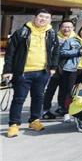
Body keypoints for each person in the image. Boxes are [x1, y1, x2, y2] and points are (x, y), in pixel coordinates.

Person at [3, 9, 60, 138]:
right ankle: (14, 124)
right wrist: (7, 70)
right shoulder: (22, 32)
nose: (43, 19)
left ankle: (34, 121)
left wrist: (53, 67)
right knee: (19, 99)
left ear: (50, 20)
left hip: (42, 72)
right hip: (23, 72)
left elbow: (56, 51)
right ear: (35, 17)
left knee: (38, 98)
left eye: (47, 17)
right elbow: (10, 53)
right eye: (41, 16)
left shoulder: (51, 33)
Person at [60, 24, 82, 123]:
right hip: (71, 69)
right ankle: (66, 113)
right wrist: (78, 52)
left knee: (81, 91)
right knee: (69, 91)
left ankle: (77, 111)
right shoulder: (71, 40)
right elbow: (62, 52)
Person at [42, 19, 75, 119]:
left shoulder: (75, 39)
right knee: (50, 90)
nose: (67, 29)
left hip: (68, 69)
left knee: (64, 91)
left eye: (69, 27)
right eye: (64, 27)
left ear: (73, 28)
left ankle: (62, 107)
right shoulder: (54, 37)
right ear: (60, 28)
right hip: (54, 68)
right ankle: (45, 109)